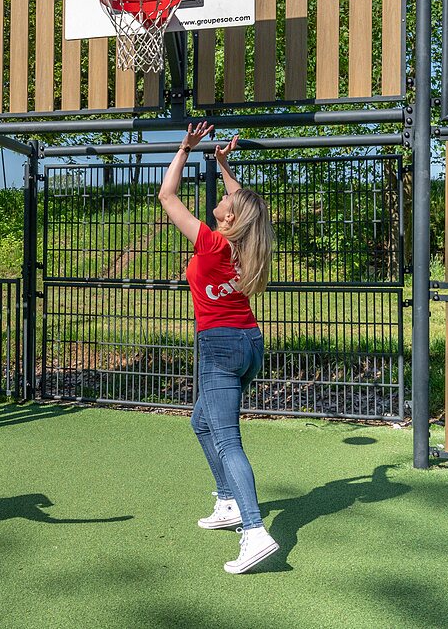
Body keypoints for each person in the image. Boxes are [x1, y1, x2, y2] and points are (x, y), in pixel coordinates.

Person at [157, 122, 278, 574]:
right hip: (249, 342)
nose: (226, 198)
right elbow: (246, 204)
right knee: (201, 422)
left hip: (220, 346)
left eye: (228, 201)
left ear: (229, 218)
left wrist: (184, 148)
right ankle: (228, 501)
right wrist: (224, 164)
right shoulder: (248, 242)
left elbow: (167, 196)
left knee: (228, 440)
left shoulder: (211, 244)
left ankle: (255, 530)